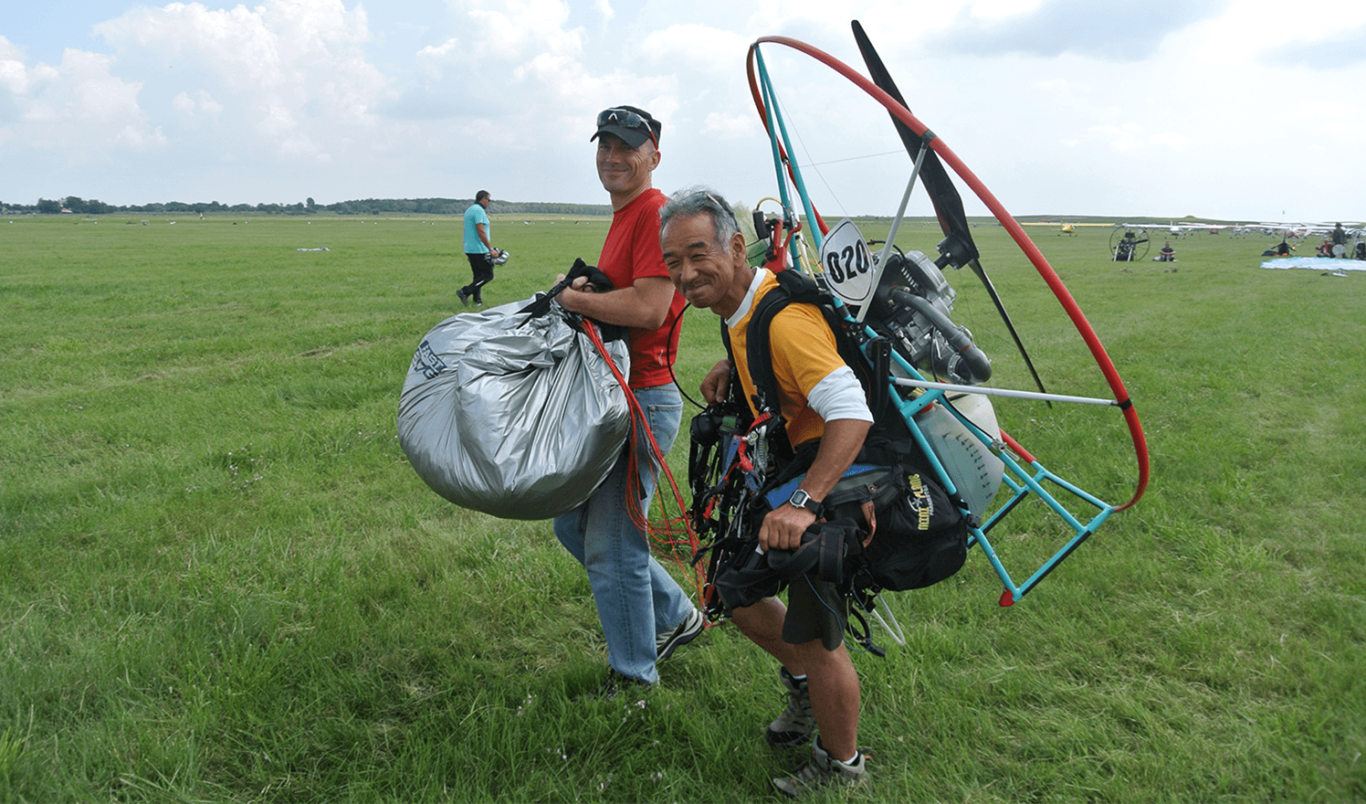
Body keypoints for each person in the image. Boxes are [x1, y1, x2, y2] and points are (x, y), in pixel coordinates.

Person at [659, 188, 872, 797]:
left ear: (734, 246)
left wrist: (805, 505)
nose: (685, 274)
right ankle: (807, 690)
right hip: (790, 476)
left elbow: (851, 413)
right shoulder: (742, 311)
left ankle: (842, 766)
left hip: (832, 486)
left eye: (697, 254)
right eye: (673, 262)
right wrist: (735, 365)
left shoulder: (783, 322)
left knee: (817, 636)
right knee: (737, 592)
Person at [551, 106, 703, 693]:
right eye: (605, 145)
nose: (613, 157)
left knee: (614, 546)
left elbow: (650, 308)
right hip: (615, 395)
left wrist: (575, 301)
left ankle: (635, 678)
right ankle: (678, 615)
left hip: (642, 401)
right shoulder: (626, 214)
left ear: (654, 156)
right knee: (573, 524)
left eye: (627, 147)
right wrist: (585, 288)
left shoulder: (654, 213)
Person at [458, 190, 501, 306]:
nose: (489, 203)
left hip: (469, 247)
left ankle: (477, 301)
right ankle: (465, 291)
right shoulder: (479, 211)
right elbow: (481, 231)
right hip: (479, 248)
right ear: (483, 199)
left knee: (478, 275)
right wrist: (490, 249)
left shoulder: (470, 210)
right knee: (487, 275)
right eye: (489, 200)